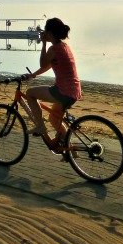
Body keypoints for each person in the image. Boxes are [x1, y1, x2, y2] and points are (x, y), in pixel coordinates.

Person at [23, 17, 82, 150]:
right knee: (54, 120)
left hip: (63, 91)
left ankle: (40, 125)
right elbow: (49, 65)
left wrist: (43, 44)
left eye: (45, 31)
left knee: (30, 93)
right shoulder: (65, 46)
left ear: (50, 33)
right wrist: (34, 74)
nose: (44, 33)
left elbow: (43, 63)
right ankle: (71, 151)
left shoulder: (53, 48)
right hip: (73, 91)